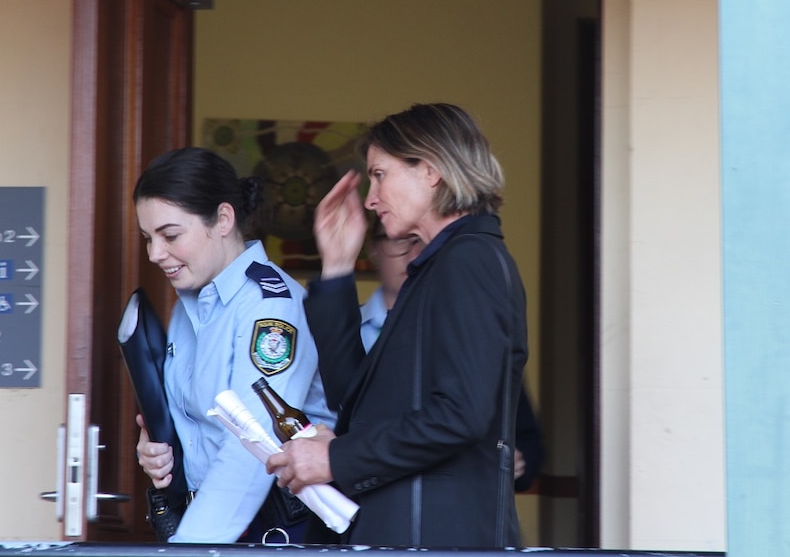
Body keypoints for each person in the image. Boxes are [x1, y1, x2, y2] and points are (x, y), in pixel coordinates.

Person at [266, 102, 529, 548]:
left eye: (380, 174)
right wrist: (336, 267)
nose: (370, 198)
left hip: (438, 542)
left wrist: (336, 458)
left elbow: (460, 416)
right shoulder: (439, 266)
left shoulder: (468, 260)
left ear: (430, 170)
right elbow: (357, 401)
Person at [133, 147, 336, 543]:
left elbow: (251, 446)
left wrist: (187, 550)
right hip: (213, 527)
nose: (155, 254)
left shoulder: (269, 307)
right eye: (148, 238)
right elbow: (200, 425)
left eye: (170, 235)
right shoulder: (188, 303)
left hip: (269, 532)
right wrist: (160, 448)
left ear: (224, 219)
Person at [360, 220, 543, 494]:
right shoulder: (344, 331)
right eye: (399, 240)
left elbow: (525, 438)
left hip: (453, 508)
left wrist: (515, 461)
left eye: (422, 242)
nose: (414, 254)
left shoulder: (466, 332)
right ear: (374, 250)